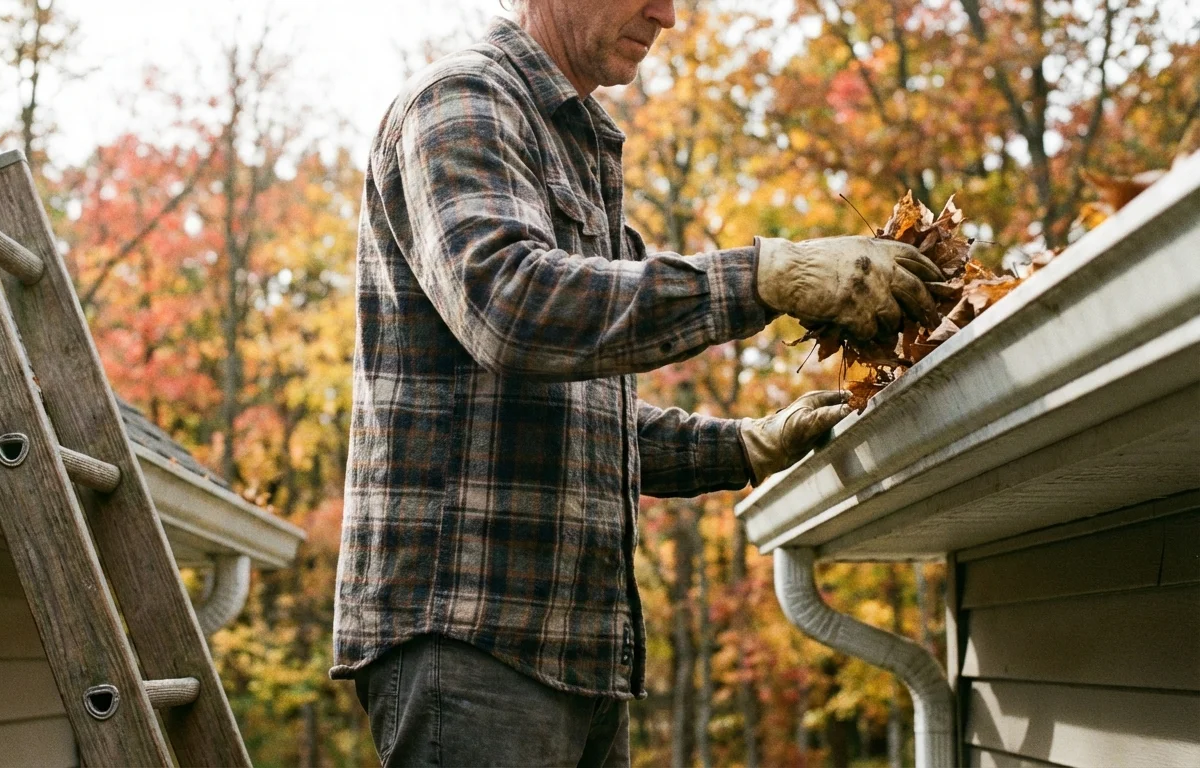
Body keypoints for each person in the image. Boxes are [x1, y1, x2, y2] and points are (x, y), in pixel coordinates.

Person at [331, 1, 943, 765]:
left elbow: (585, 421)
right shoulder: (461, 102)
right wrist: (764, 277)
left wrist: (746, 446)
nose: (669, 14)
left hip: (579, 652)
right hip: (470, 636)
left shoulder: (575, 143)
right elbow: (510, 307)